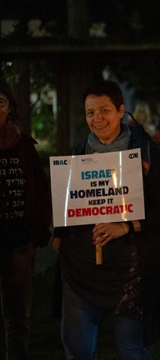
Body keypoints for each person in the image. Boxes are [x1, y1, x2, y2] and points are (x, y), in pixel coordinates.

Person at [52, 80, 160, 359]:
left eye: (104, 110)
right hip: (82, 266)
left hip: (131, 267)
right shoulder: (77, 153)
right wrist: (59, 237)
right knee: (77, 346)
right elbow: (67, 203)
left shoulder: (144, 152)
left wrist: (127, 227)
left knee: (132, 345)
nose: (97, 119)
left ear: (121, 110)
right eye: (90, 112)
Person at [0, 81, 52, 359]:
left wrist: (38, 232)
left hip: (19, 242)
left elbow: (41, 189)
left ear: (9, 108)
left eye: (1, 102)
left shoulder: (23, 145)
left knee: (19, 314)